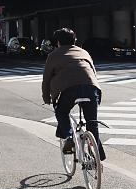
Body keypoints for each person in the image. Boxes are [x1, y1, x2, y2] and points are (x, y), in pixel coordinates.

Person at [42, 28, 106, 161]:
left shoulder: (53, 55)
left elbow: (46, 79)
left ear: (58, 42)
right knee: (92, 123)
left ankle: (69, 136)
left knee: (61, 112)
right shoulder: (84, 52)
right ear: (75, 40)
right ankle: (98, 156)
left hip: (69, 90)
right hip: (91, 88)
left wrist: (47, 98)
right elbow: (93, 72)